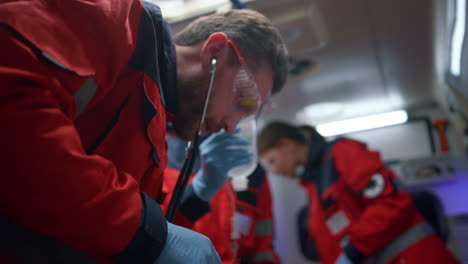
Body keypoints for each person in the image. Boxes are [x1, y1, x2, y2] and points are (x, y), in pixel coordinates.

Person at [0, 0, 288, 263]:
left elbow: (139, 230)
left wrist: (191, 203)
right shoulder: (113, 17)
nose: (231, 126)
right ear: (215, 52)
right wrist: (144, 234)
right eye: (243, 99)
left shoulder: (154, 134)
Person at [257, 122, 459, 264]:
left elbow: (391, 202)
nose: (273, 172)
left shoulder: (342, 152)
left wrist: (353, 252)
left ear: (285, 145)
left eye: (272, 162)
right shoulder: (313, 185)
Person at [163, 131, 281, 264]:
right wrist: (195, 194)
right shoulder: (163, 155)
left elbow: (261, 248)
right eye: (243, 108)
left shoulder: (253, 170)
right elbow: (156, 235)